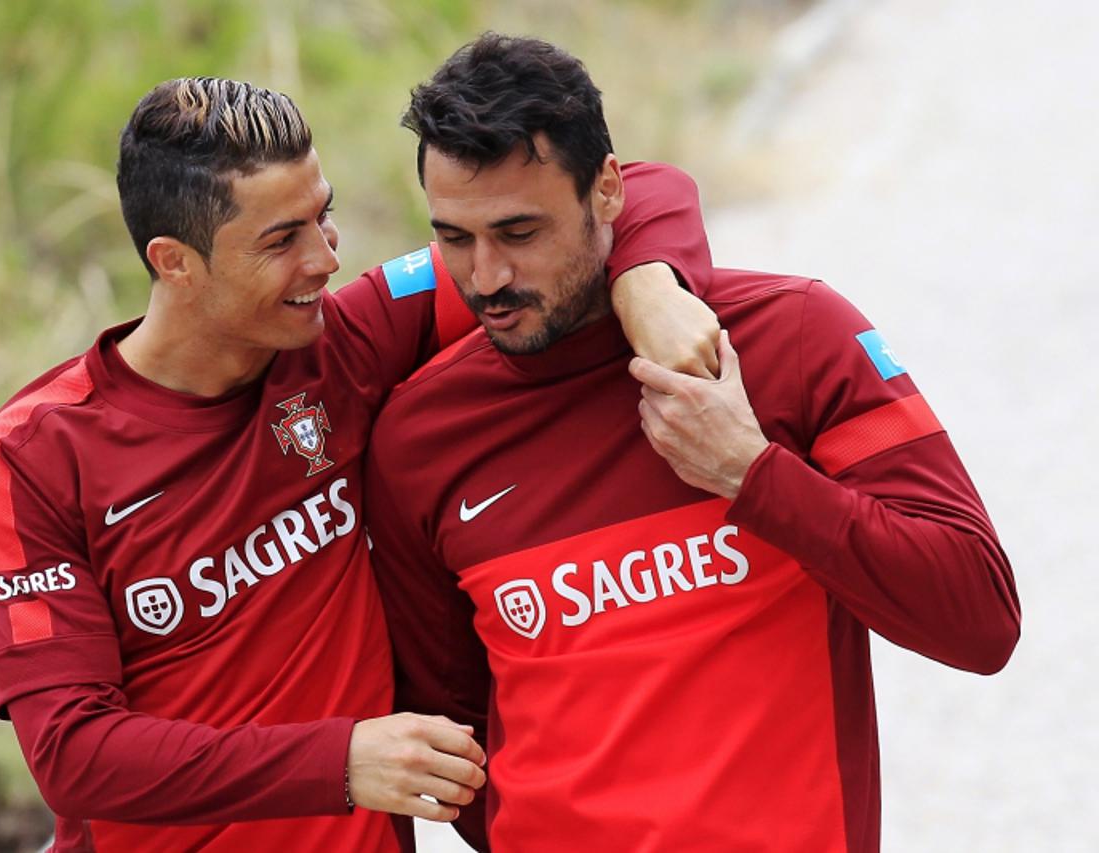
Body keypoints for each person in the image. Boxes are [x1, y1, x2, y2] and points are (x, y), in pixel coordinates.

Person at [0, 76, 720, 852]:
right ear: (176, 263)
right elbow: (73, 753)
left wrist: (648, 286)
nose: (326, 258)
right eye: (281, 240)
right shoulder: (31, 453)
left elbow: (627, 192)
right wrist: (339, 760)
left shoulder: (343, 342)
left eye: (322, 216)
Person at [363, 33, 1021, 853]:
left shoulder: (798, 338)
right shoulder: (420, 437)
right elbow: (453, 725)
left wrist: (753, 474)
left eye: (519, 232)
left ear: (609, 191)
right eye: (455, 239)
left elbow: (979, 618)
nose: (486, 277)